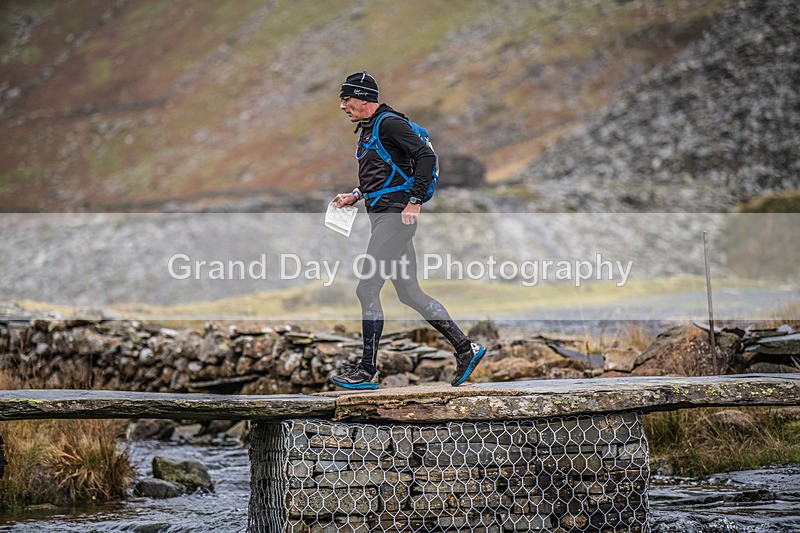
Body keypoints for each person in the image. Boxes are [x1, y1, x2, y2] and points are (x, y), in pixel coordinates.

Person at [329, 71, 487, 390]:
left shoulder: (389, 123)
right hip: (383, 215)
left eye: (346, 99)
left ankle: (366, 370)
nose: (343, 106)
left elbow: (426, 157)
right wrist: (355, 196)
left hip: (395, 219)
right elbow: (381, 172)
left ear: (362, 98)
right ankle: (465, 349)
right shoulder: (370, 128)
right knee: (409, 292)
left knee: (367, 288)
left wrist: (414, 202)